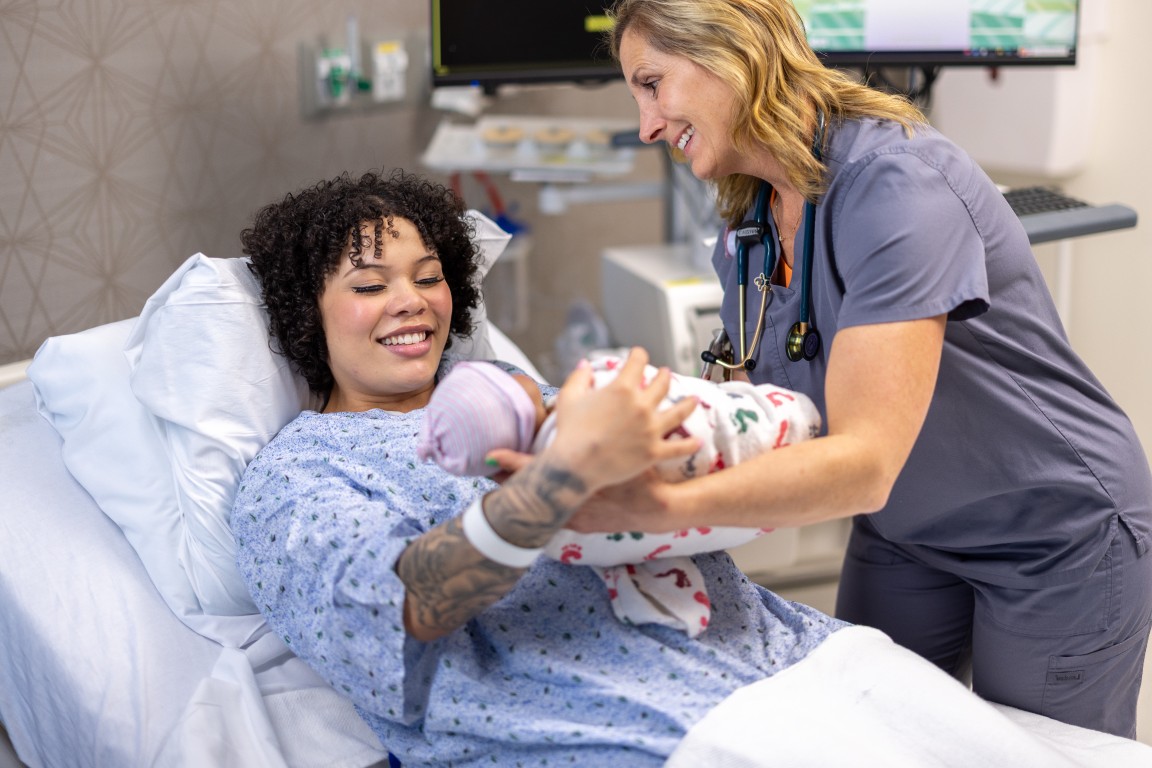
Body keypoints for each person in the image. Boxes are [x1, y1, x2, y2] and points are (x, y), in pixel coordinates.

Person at [553, 0, 1152, 739]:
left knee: (1037, 753)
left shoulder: (897, 182)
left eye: (652, 84)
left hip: (1049, 533)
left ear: (731, 52)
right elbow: (750, 411)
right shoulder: (751, 225)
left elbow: (865, 461)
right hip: (905, 530)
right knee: (868, 736)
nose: (647, 125)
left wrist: (655, 510)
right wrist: (613, 452)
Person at [231, 168, 847, 766]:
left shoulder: (527, 395)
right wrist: (551, 489)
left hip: (789, 665)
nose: (411, 301)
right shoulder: (300, 473)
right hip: (619, 729)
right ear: (307, 313)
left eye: (429, 277)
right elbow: (382, 614)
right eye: (369, 287)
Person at [416, 355, 820, 635]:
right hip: (782, 433)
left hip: (758, 516)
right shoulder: (589, 397)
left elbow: (633, 563)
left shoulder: (556, 535)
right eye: (502, 379)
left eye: (429, 278)